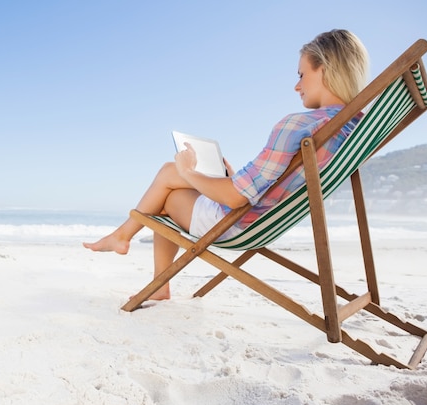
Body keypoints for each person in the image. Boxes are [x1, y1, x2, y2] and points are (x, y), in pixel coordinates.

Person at [83, 29, 370, 301]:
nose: (297, 85)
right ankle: (128, 243)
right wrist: (233, 176)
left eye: (302, 74)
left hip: (239, 223)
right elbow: (272, 184)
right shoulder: (353, 129)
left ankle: (128, 244)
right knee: (175, 179)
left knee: (168, 180)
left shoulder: (298, 126)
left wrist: (188, 172)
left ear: (326, 69)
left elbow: (234, 198)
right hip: (266, 219)